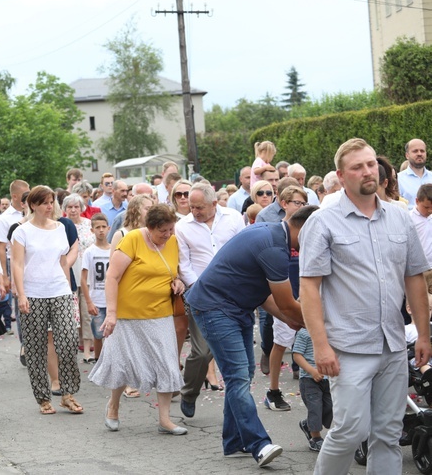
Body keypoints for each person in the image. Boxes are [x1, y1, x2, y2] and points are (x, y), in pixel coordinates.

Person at [300, 138, 431, 474]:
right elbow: (309, 288)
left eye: (371, 164)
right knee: (349, 431)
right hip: (347, 347)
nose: (367, 171)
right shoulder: (323, 222)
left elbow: (415, 278)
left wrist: (424, 335)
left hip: (392, 344)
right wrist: (320, 346)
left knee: (388, 433)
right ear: (342, 177)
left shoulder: (400, 219)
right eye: (357, 167)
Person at [184, 205, 318, 467]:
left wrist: (291, 321)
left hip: (234, 307)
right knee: (237, 376)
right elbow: (287, 302)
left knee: (242, 375)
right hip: (216, 308)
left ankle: (234, 442)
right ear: (305, 229)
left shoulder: (271, 234)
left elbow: (268, 297)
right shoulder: (274, 248)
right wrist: (319, 329)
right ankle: (259, 444)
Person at [88, 204, 186, 435]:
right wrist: (111, 313)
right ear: (150, 227)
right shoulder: (132, 239)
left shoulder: (172, 242)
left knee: (167, 364)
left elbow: (175, 271)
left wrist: (178, 282)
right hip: (127, 315)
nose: (168, 235)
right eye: (163, 231)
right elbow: (112, 276)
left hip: (160, 313)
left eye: (171, 229)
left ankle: (164, 420)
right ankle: (113, 406)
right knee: (122, 364)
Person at [11, 185, 83, 415]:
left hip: (60, 290)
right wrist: (21, 294)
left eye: (51, 202)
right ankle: (43, 398)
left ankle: (68, 394)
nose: (49, 206)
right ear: (33, 205)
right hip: (33, 293)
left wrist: (67, 287)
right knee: (35, 347)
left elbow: (63, 260)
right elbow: (18, 264)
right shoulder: (22, 231)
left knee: (69, 340)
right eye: (44, 202)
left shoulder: (61, 228)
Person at [177, 183, 244, 417]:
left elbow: (243, 251)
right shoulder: (183, 226)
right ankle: (189, 391)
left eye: (199, 207)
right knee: (203, 351)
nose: (194, 211)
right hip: (201, 295)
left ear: (214, 204)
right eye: (192, 207)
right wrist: (199, 287)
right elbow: (183, 264)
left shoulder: (234, 219)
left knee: (238, 353)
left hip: (234, 294)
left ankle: (239, 407)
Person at [263, 185, 309, 412]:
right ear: (284, 204)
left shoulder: (308, 232)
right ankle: (273, 390)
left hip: (306, 290)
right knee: (281, 341)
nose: (300, 207)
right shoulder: (276, 231)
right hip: (284, 292)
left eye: (303, 203)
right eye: (296, 203)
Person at [63, 193, 95, 363]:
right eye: (70, 207)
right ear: (65, 209)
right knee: (72, 313)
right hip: (69, 273)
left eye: (76, 206)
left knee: (87, 312)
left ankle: (88, 350)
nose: (73, 210)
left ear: (82, 208)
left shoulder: (90, 225)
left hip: (88, 272)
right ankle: (71, 349)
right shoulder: (60, 225)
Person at [292, 328, 332, 453]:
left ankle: (307, 424)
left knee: (330, 407)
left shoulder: (330, 329)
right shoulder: (304, 332)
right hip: (309, 380)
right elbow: (297, 355)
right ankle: (315, 438)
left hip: (328, 379)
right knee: (315, 409)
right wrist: (312, 371)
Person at [81, 213, 111, 363]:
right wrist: (89, 302)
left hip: (112, 300)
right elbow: (84, 279)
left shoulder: (114, 250)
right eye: (97, 227)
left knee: (113, 334)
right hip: (97, 300)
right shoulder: (89, 252)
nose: (101, 230)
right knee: (98, 334)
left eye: (103, 227)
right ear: (92, 230)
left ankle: (112, 361)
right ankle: (98, 361)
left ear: (109, 228)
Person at [398, 138, 432, 209]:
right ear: (407, 155)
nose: (419, 154)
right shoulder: (398, 179)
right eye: (415, 151)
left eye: (422, 151)